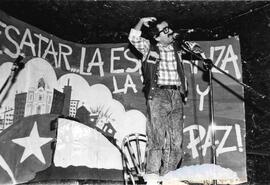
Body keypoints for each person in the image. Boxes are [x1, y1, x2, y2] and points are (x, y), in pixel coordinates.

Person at [128, 17, 202, 184]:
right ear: (156, 36)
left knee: (176, 141)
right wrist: (141, 21)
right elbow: (133, 38)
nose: (170, 32)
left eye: (170, 28)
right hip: (158, 95)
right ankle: (152, 177)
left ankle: (169, 177)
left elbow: (198, 50)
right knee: (157, 137)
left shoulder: (177, 47)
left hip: (176, 95)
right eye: (165, 30)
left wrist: (190, 45)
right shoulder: (149, 46)